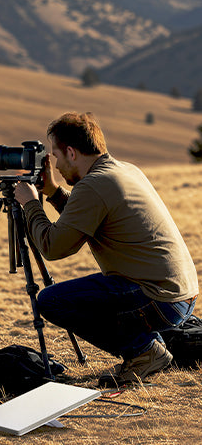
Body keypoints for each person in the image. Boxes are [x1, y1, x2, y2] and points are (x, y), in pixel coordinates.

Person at [14, 111, 199, 387]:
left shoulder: (93, 185)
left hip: (157, 299)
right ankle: (148, 347)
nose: (56, 166)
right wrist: (52, 192)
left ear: (72, 153)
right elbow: (86, 216)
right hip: (180, 296)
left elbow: (52, 247)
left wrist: (30, 204)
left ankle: (144, 351)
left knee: (51, 301)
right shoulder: (123, 170)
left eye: (56, 155)